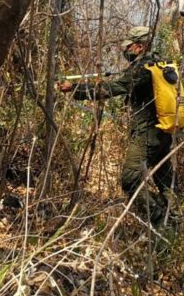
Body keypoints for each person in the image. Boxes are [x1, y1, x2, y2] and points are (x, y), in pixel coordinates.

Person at [59, 26, 173, 227]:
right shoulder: (160, 63)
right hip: (164, 131)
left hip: (148, 133)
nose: (125, 51)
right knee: (165, 179)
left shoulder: (143, 68)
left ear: (139, 46)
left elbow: (114, 88)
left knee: (130, 180)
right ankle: (176, 220)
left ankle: (159, 222)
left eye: (128, 47)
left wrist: (76, 89)